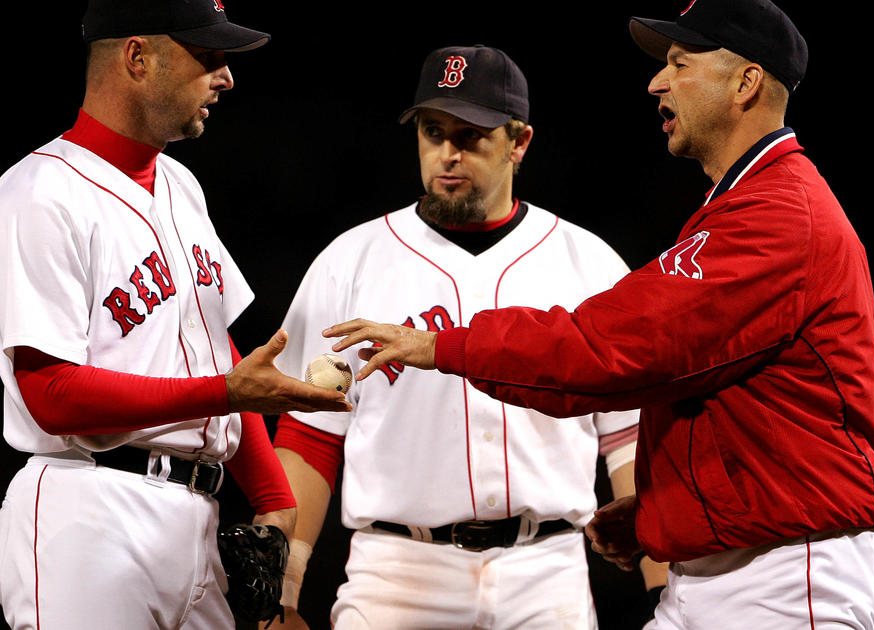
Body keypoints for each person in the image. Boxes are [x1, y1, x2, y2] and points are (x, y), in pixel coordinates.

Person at [322, 2, 874, 629]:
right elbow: (712, 392)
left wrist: (440, 346)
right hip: (731, 563)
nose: (657, 81)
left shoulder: (778, 215)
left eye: (680, 64)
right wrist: (665, 511)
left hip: (786, 576)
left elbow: (615, 350)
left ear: (746, 83)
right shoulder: (743, 203)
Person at [0, 2, 349, 628]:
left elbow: (215, 347)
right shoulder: (37, 195)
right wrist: (226, 392)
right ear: (138, 58)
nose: (225, 77)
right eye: (209, 56)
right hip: (89, 509)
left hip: (197, 519)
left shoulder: (180, 186)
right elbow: (52, 394)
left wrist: (274, 497)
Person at [266, 45, 662, 629]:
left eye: (471, 135)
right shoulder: (351, 260)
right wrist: (285, 592)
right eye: (433, 132)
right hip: (397, 571)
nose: (447, 154)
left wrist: (661, 593)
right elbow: (309, 438)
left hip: (546, 570)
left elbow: (632, 441)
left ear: (519, 142)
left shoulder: (589, 263)